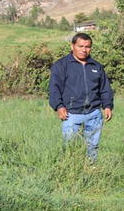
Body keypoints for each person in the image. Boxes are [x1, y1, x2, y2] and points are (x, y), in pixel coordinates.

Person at [49, 33, 114, 162]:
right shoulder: (61, 65)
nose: (84, 50)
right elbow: (54, 89)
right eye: (80, 46)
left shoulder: (96, 66)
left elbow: (105, 88)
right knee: (70, 148)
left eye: (88, 46)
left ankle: (92, 170)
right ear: (72, 46)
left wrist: (107, 106)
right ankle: (72, 173)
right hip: (71, 114)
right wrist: (59, 106)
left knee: (93, 147)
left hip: (94, 114)